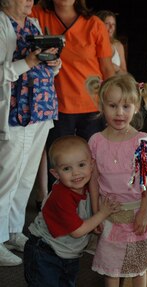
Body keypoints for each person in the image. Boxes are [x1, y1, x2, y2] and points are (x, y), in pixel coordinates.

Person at [0, 0, 61, 266]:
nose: (30, 1)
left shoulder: (34, 22)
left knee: (26, 179)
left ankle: (13, 231)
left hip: (42, 107)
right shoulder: (2, 24)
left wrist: (53, 62)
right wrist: (27, 61)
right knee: (7, 179)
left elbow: (46, 67)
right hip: (17, 111)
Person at [31, 0, 115, 187]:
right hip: (54, 105)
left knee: (93, 162)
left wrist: (111, 105)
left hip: (92, 105)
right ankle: (61, 211)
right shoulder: (37, 14)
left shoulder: (94, 24)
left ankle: (93, 210)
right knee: (60, 167)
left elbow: (107, 68)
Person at [87, 74, 147, 287]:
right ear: (102, 106)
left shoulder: (142, 141)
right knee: (110, 268)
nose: (119, 113)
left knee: (138, 268)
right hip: (109, 214)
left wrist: (144, 212)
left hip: (138, 213)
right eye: (112, 106)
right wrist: (95, 212)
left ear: (137, 107)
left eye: (126, 106)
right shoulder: (96, 141)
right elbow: (93, 180)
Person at [24, 135, 121, 287]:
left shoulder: (90, 186)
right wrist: (102, 213)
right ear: (56, 174)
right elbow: (77, 231)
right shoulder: (61, 196)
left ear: (91, 165)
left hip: (69, 253)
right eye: (67, 168)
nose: (76, 173)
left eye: (81, 165)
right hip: (45, 252)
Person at [96, 10, 127, 74]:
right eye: (107, 24)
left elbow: (125, 73)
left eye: (113, 24)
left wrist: (116, 68)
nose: (111, 27)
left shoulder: (118, 45)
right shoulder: (93, 45)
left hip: (116, 82)